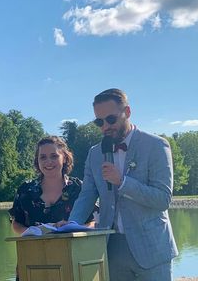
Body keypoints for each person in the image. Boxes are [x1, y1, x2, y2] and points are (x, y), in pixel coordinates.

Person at [64, 88, 178, 280]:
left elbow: (163, 199)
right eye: (99, 122)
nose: (105, 127)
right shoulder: (95, 153)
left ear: (127, 112)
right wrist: (71, 226)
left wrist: (122, 182)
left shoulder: (156, 146)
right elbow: (86, 196)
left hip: (152, 248)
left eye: (111, 119)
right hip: (111, 249)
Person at [9, 136, 92, 234]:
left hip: (75, 248)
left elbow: (95, 222)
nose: (48, 162)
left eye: (54, 156)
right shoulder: (25, 190)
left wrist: (75, 229)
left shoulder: (79, 188)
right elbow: (16, 223)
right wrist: (31, 232)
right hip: (35, 248)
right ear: (37, 160)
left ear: (64, 158)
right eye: (43, 157)